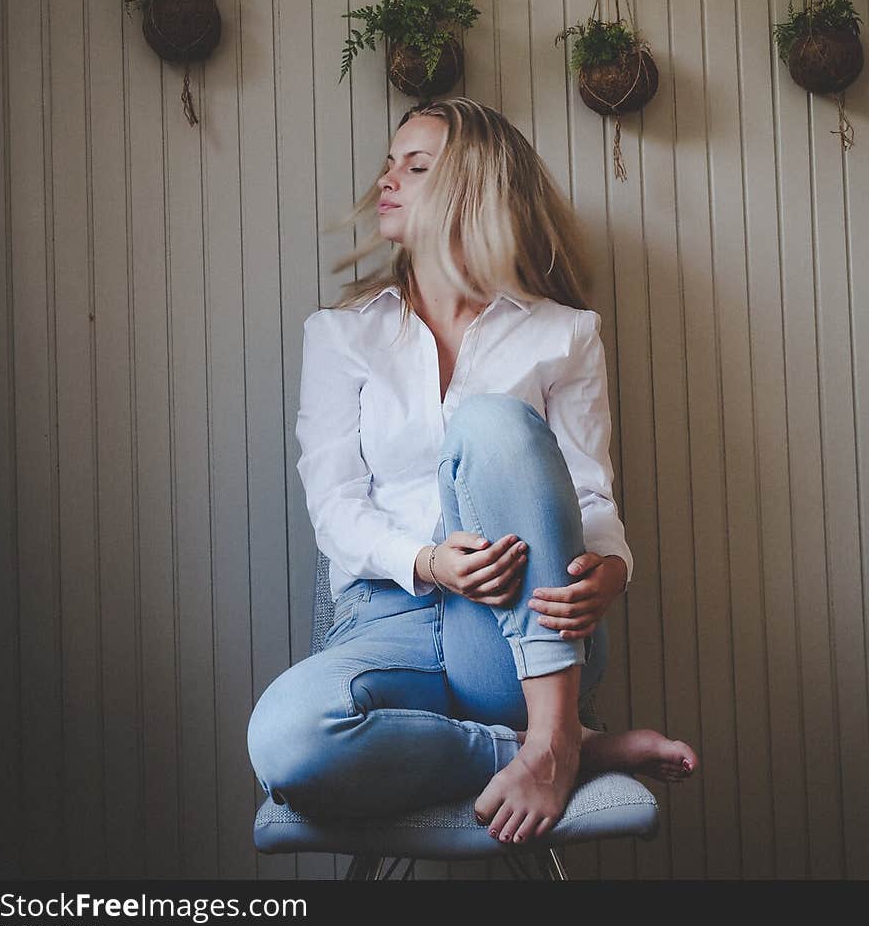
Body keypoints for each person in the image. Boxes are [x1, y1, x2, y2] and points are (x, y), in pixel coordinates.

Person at [248, 98, 698, 846]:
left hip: (520, 635)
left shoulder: (565, 333)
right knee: (287, 740)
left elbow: (590, 494)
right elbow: (333, 507)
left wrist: (615, 566)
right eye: (390, 162)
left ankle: (550, 731)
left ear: (475, 189)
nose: (387, 179)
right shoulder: (340, 336)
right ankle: (569, 752)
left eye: (416, 166)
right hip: (386, 621)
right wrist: (427, 562)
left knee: (491, 422)